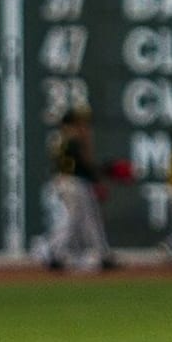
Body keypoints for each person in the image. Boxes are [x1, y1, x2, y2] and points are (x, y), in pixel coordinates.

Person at [37, 107, 116, 272]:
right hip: (74, 182)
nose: (84, 123)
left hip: (66, 180)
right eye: (80, 120)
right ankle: (53, 252)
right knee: (77, 220)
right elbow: (83, 163)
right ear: (73, 122)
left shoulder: (60, 137)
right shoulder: (74, 137)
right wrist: (99, 175)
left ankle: (102, 254)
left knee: (88, 219)